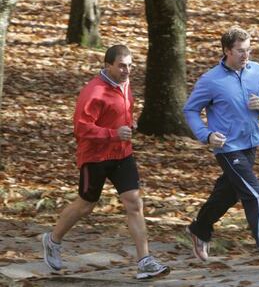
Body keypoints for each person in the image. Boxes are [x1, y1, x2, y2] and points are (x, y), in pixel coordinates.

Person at [41, 45, 170, 280]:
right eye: (122, 65)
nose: (127, 70)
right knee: (86, 204)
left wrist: (129, 125)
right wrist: (113, 134)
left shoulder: (125, 84)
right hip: (95, 157)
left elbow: (124, 111)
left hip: (122, 154)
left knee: (134, 203)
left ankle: (145, 261)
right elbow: (81, 129)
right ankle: (52, 239)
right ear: (107, 65)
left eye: (130, 65)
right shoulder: (94, 92)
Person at [183, 27, 259, 271]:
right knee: (255, 195)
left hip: (250, 143)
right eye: (240, 51)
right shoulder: (211, 80)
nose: (246, 55)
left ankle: (199, 228)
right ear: (227, 51)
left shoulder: (258, 71)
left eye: (249, 50)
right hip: (227, 147)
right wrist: (206, 135)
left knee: (229, 192)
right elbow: (190, 110)